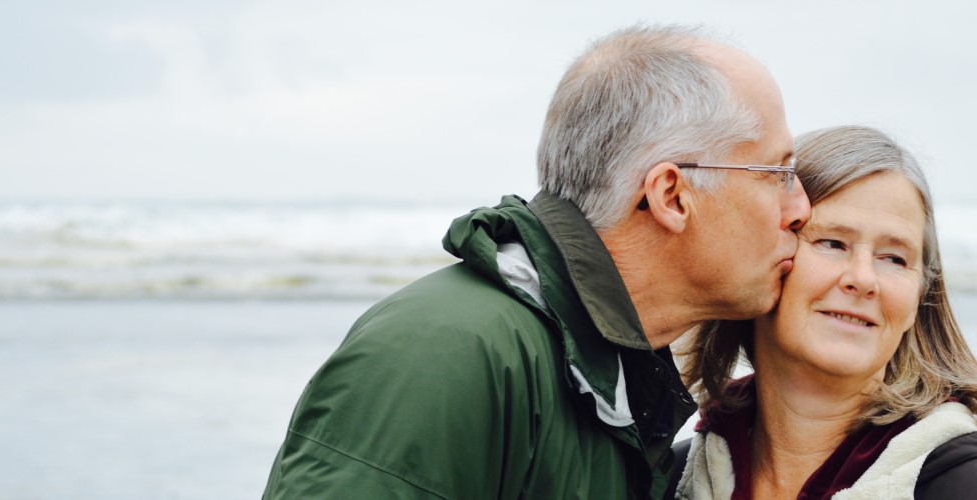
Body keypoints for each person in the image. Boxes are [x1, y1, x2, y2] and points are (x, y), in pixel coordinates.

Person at [262, 25, 811, 499]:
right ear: (671, 195)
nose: (800, 209)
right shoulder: (447, 355)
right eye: (778, 174)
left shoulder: (612, 373)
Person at [670, 125, 977, 499]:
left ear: (918, 300)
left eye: (894, 258)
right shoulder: (668, 481)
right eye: (833, 243)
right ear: (766, 258)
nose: (863, 279)